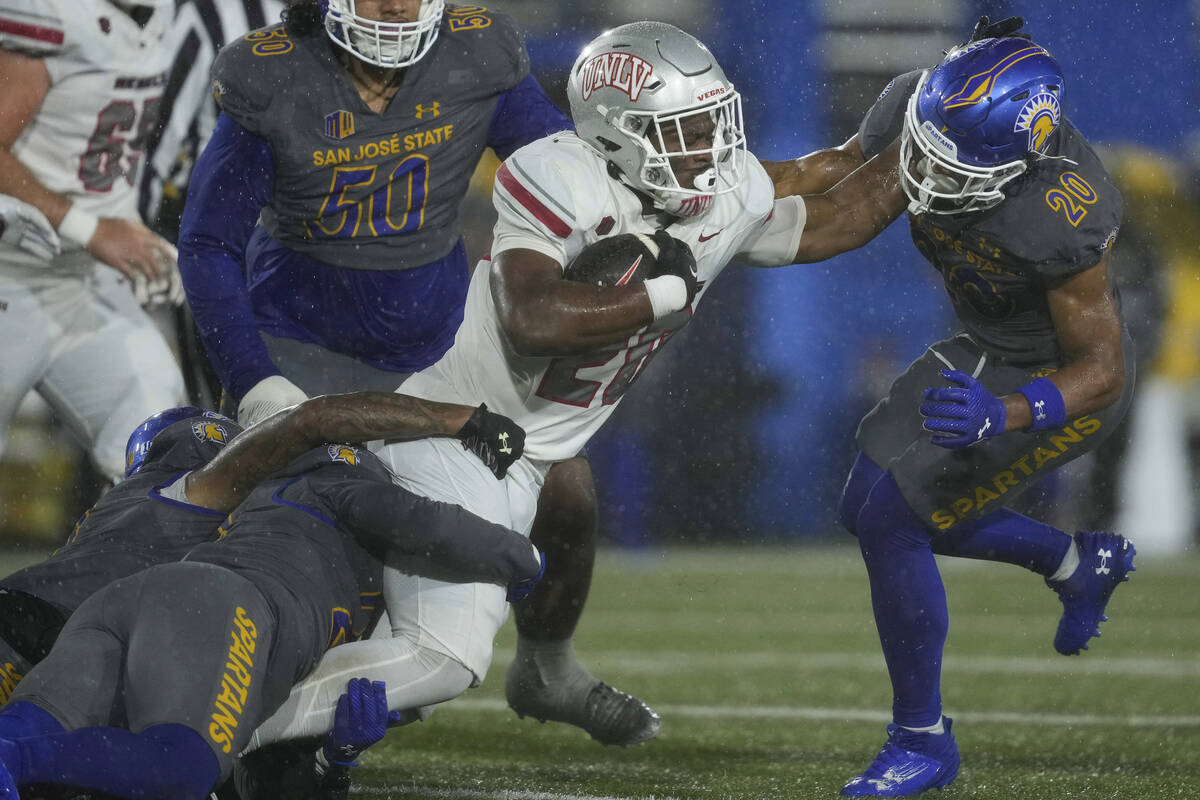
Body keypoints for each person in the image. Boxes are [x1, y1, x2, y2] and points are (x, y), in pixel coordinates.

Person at [241, 20, 909, 753]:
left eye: (713, 123)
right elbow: (531, 317)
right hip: (455, 432)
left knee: (569, 492)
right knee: (439, 663)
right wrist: (659, 296)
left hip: (532, 441)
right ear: (620, 136)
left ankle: (548, 671)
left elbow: (837, 216)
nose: (711, 149)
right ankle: (221, 725)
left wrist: (930, 144)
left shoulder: (717, 189)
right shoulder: (556, 174)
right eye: (685, 130)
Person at [175, 0, 646, 744]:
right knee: (302, 545)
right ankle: (209, 694)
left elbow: (564, 170)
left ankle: (549, 667)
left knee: (566, 484)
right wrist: (256, 375)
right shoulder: (274, 74)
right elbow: (206, 243)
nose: (394, 4)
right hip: (303, 350)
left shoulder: (476, 52)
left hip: (440, 353)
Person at [825, 23, 1136, 797]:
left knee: (894, 519)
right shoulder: (927, 106)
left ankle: (923, 741)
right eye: (926, 144)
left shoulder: (1065, 210)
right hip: (985, 343)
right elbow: (840, 172)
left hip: (1051, 381)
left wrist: (1006, 413)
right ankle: (1074, 563)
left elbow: (1103, 369)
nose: (925, 169)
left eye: (952, 162)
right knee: (862, 506)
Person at [0, 416, 543, 799]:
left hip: (131, 605)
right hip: (220, 606)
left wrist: (336, 761)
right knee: (178, 768)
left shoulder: (222, 496)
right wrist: (524, 559)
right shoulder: (335, 480)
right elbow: (431, 525)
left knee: (32, 737)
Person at [0, 391, 524, 694]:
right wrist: (458, 419)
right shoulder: (189, 492)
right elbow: (310, 421)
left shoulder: (132, 505)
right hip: (39, 635)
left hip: (52, 629)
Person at [0, 0, 189, 483]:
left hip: (82, 282)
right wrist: (91, 229)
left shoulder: (160, 13)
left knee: (163, 458)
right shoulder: (57, 15)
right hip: (11, 273)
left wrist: (132, 234)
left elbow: (98, 147)